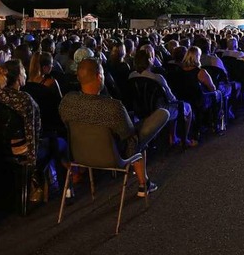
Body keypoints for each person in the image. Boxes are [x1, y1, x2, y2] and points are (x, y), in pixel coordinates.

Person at [59, 59, 168, 197]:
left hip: (78, 155)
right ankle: (143, 184)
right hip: (113, 156)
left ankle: (144, 183)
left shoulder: (67, 102)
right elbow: (128, 134)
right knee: (161, 115)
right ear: (99, 76)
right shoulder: (112, 107)